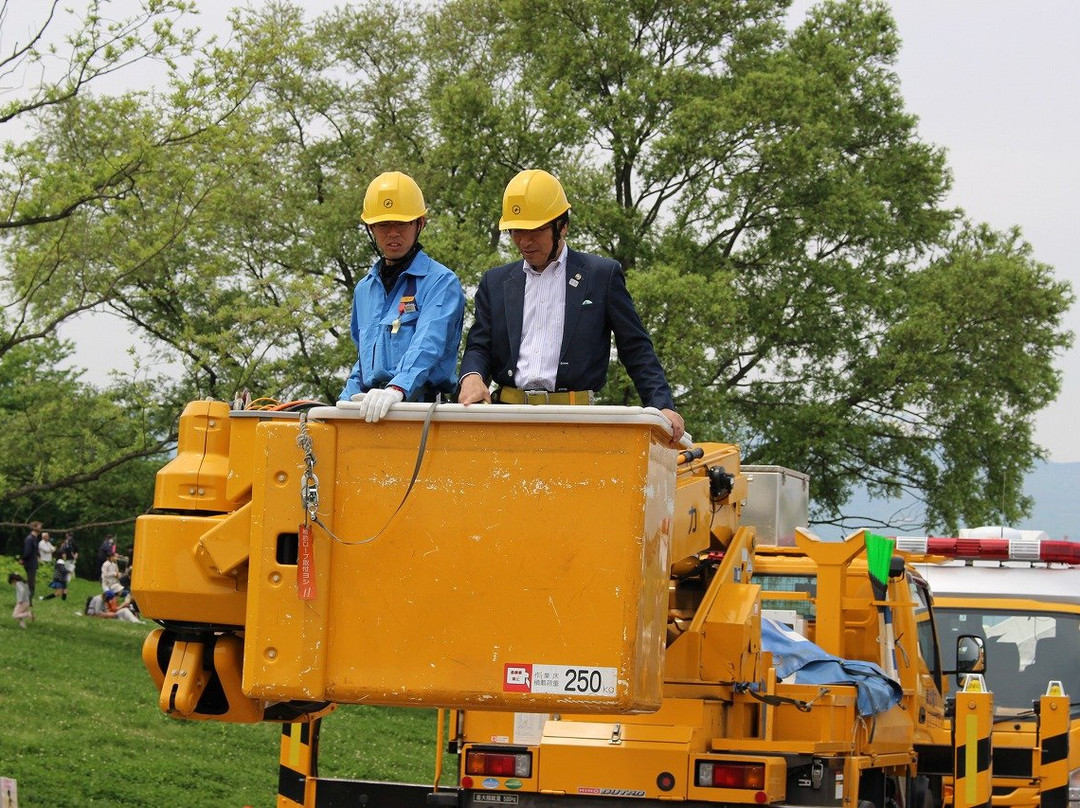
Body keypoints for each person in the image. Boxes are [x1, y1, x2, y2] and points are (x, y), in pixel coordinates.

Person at [458, 169, 685, 443]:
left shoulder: (602, 275)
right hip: (507, 419)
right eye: (517, 231)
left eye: (536, 230)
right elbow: (479, 344)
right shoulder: (495, 281)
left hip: (575, 421)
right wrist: (471, 376)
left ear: (562, 225)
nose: (525, 241)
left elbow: (635, 348)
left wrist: (662, 405)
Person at [339, 171, 466, 423]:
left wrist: (397, 388)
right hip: (373, 411)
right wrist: (341, 404)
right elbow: (364, 362)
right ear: (370, 228)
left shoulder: (441, 282)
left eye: (401, 223)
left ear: (420, 223)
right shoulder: (365, 289)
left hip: (425, 414)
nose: (393, 233)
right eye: (383, 225)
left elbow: (428, 343)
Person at [20, 521, 42, 600]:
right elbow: (27, 552)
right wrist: (23, 559)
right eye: (39, 527)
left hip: (33, 563)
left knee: (31, 581)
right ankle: (28, 599)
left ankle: (28, 598)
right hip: (30, 563)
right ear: (34, 527)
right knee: (31, 582)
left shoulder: (34, 538)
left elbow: (34, 551)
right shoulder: (29, 539)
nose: (41, 529)